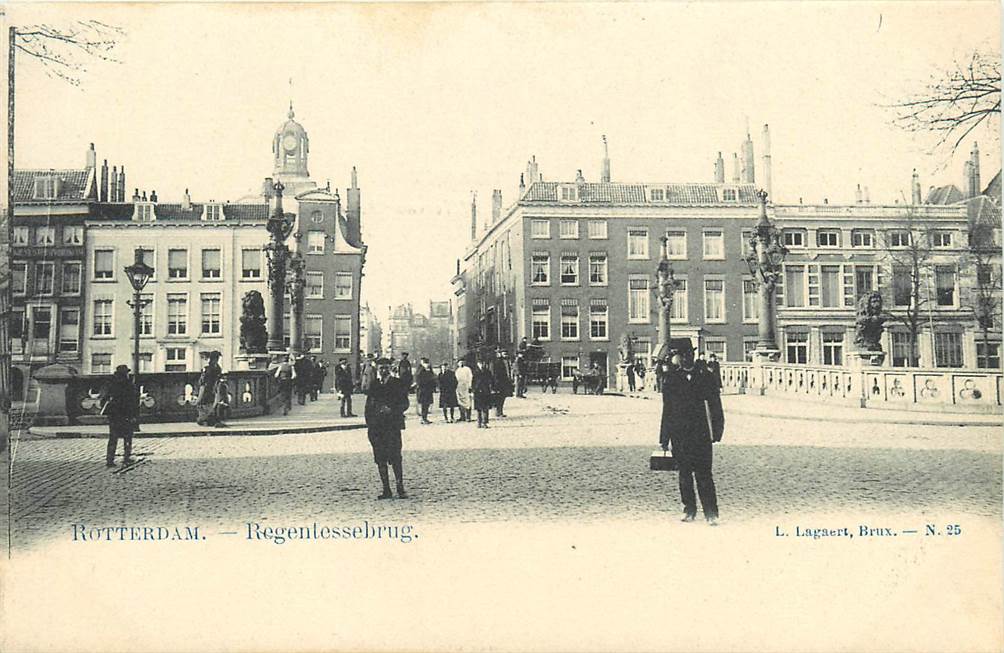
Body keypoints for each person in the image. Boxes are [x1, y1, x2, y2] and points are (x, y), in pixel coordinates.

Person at [659, 338, 725, 526]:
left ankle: (711, 512)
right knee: (684, 475)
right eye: (679, 356)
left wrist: (717, 431)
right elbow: (667, 410)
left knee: (704, 474)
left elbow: (715, 406)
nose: (681, 359)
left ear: (690, 355)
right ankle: (689, 509)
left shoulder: (705, 376)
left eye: (682, 355)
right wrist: (664, 438)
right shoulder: (671, 380)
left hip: (702, 434)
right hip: (680, 435)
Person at [364, 357, 410, 499]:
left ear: (390, 368)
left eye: (386, 367)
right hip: (377, 428)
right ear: (377, 369)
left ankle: (400, 487)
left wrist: (392, 410)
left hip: (392, 426)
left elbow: (405, 403)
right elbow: (368, 405)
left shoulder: (397, 383)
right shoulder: (374, 385)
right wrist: (370, 424)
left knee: (396, 457)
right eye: (381, 368)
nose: (383, 370)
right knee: (380, 458)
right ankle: (386, 489)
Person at [100, 365, 138, 467]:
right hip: (126, 414)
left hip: (114, 415)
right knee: (127, 437)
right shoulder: (129, 385)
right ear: (125, 374)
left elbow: (104, 399)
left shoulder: (111, 384)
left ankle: (110, 459)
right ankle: (126, 457)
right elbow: (133, 402)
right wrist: (134, 415)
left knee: (113, 437)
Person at [195, 351, 223, 426]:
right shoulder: (217, 368)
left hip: (208, 388)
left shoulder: (209, 368)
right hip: (212, 388)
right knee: (208, 402)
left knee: (204, 402)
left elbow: (202, 380)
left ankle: (205, 419)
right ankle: (206, 418)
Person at [472, 358, 495, 428]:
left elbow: (491, 380)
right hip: (477, 392)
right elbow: (473, 382)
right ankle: (479, 422)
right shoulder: (475, 372)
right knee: (478, 408)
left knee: (485, 408)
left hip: (486, 391)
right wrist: (473, 390)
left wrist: (492, 388)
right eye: (480, 363)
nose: (481, 365)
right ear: (477, 364)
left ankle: (484, 422)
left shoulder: (487, 371)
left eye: (482, 363)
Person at [415, 358, 437, 424]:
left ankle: (425, 418)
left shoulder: (429, 369)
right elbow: (419, 379)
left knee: (427, 404)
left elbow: (432, 377)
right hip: (423, 390)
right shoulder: (420, 370)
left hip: (428, 390)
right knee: (424, 404)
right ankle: (423, 418)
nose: (427, 365)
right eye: (426, 363)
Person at [492, 350, 513, 417]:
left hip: (505, 382)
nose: (505, 355)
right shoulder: (497, 362)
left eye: (506, 354)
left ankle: (500, 411)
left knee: (503, 397)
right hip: (499, 382)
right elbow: (494, 373)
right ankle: (498, 412)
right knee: (499, 397)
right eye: (504, 354)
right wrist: (495, 382)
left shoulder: (506, 361)